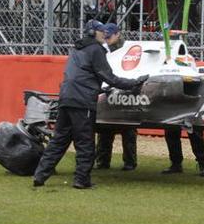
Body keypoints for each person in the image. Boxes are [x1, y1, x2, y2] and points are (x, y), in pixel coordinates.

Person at [33, 20, 148, 189]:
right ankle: (81, 180)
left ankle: (40, 175)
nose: (104, 34)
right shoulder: (96, 50)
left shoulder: (77, 49)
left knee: (58, 140)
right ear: (93, 33)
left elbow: (80, 75)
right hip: (83, 102)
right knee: (85, 142)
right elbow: (109, 77)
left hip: (66, 98)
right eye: (101, 31)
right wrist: (134, 83)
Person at [94, 23, 138, 171]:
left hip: (126, 90)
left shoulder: (129, 49)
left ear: (117, 34)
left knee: (128, 129)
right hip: (110, 89)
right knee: (105, 129)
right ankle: (102, 161)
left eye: (109, 36)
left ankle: (130, 162)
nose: (106, 39)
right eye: (105, 36)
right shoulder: (103, 50)